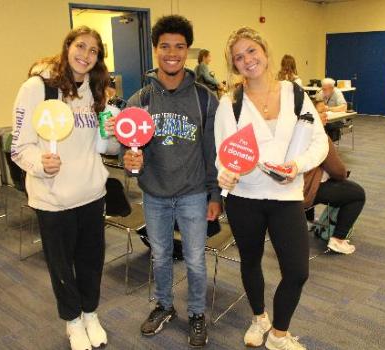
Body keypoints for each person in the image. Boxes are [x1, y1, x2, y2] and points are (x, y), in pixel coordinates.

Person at [215, 27, 328, 350]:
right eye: (239, 57)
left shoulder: (295, 94)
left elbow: (320, 141)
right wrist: (226, 174)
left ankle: (279, 334)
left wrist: (297, 165)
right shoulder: (230, 103)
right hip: (244, 198)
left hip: (286, 196)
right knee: (250, 262)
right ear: (234, 65)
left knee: (296, 271)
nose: (247, 60)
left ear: (265, 51)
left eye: (251, 51)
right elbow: (222, 153)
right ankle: (258, 317)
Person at [11, 26, 119, 350]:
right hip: (53, 199)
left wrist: (112, 132)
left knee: (91, 262)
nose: (85, 55)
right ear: (67, 46)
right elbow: (19, 145)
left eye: (93, 51)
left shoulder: (97, 91)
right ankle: (73, 321)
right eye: (80, 46)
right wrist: (40, 164)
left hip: (91, 194)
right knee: (61, 267)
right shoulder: (37, 88)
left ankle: (90, 314)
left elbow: (105, 148)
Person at [121, 15, 221, 348]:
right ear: (155, 50)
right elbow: (130, 154)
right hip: (155, 195)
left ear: (187, 51)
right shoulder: (141, 101)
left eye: (179, 46)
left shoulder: (205, 99)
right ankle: (163, 306)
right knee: (160, 256)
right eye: (165, 46)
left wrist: (215, 195)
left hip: (193, 194)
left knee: (194, 259)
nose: (172, 53)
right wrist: (130, 164)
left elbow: (212, 152)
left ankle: (196, 313)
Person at [304, 99, 365, 254]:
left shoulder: (291, 132)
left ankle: (305, 221)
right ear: (311, 114)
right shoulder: (320, 138)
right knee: (357, 193)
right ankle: (337, 240)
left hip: (285, 191)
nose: (326, 115)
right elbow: (339, 172)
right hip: (305, 193)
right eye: (322, 112)